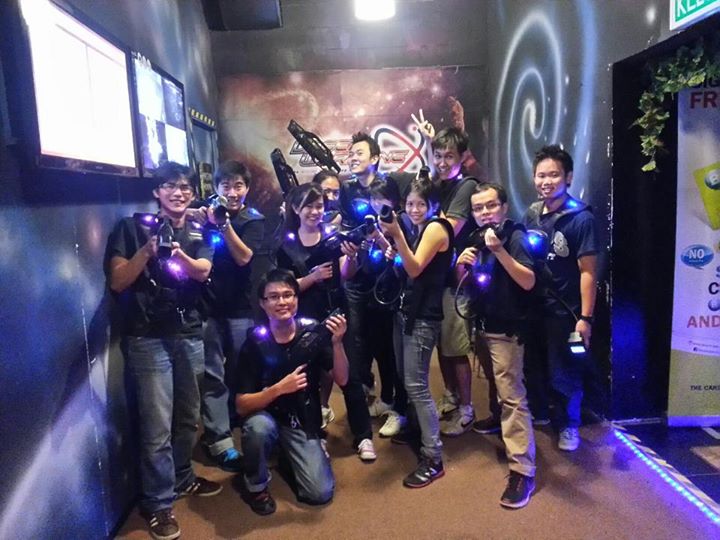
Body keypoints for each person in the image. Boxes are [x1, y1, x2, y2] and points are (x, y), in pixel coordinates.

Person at [106, 161, 221, 540]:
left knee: (188, 417)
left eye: (185, 187)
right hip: (147, 338)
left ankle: (183, 476)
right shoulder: (130, 228)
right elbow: (118, 281)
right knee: (157, 427)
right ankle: (158, 502)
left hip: (189, 332)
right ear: (157, 192)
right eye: (170, 186)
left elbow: (203, 270)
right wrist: (148, 249)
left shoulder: (199, 228)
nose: (179, 193)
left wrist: (177, 253)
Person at [233, 269, 349, 514]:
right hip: (266, 415)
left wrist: (337, 343)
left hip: (300, 419)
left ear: (297, 299)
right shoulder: (255, 342)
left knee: (319, 493)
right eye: (274, 297)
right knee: (258, 428)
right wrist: (278, 389)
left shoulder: (312, 333)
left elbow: (343, 378)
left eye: (288, 295)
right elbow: (241, 405)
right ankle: (256, 486)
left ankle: (288, 453)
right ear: (263, 303)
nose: (282, 302)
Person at [392, 125, 480, 437]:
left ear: (462, 157)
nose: (442, 162)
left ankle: (467, 408)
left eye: (449, 156)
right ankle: (452, 397)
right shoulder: (438, 185)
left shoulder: (466, 187)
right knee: (442, 346)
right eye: (438, 155)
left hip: (454, 282)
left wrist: (404, 237)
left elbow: (446, 230)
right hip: (434, 283)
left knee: (455, 348)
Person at [456, 182, 536, 508]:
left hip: (507, 329)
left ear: (503, 207)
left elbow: (528, 281)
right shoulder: (475, 240)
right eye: (478, 208)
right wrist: (461, 265)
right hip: (482, 324)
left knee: (512, 397)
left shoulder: (514, 237)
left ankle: (522, 470)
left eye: (491, 206)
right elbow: (467, 284)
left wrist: (500, 251)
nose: (485, 213)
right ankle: (496, 419)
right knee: (495, 384)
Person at [276, 184, 367, 453]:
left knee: (350, 375)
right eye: (309, 206)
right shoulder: (286, 244)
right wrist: (312, 277)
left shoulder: (332, 238)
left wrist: (351, 257)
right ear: (296, 208)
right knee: (308, 378)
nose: (315, 212)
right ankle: (315, 434)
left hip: (336, 312)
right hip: (302, 318)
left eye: (319, 206)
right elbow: (283, 289)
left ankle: (363, 435)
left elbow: (346, 274)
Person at [379, 175, 453, 488]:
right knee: (406, 378)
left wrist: (397, 236)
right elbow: (409, 268)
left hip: (423, 317)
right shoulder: (419, 229)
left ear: (433, 205)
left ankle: (433, 457)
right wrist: (392, 247)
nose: (414, 209)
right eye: (409, 204)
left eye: (421, 204)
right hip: (407, 313)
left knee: (417, 385)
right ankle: (418, 430)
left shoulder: (435, 228)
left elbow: (415, 268)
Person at [522, 145, 598, 452]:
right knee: (535, 365)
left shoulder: (581, 218)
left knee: (566, 369)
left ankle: (569, 424)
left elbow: (588, 272)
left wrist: (585, 318)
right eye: (541, 175)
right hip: (534, 308)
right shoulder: (531, 213)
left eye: (553, 175)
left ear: (568, 177)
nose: (546, 182)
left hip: (566, 311)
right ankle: (541, 413)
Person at [195, 160, 264, 472]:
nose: (233, 192)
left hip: (240, 308)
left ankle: (241, 421)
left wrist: (222, 224)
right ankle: (220, 440)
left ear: (247, 189)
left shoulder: (253, 220)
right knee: (212, 376)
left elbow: (244, 257)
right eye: (226, 186)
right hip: (207, 308)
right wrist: (200, 216)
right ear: (216, 188)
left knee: (241, 370)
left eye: (239, 186)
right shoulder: (204, 211)